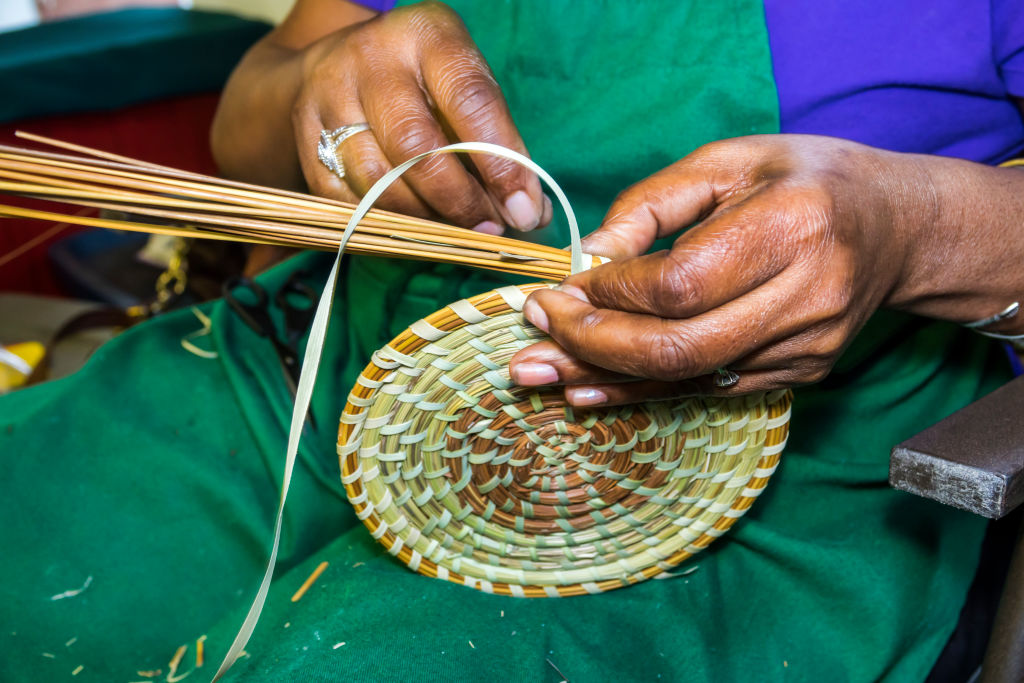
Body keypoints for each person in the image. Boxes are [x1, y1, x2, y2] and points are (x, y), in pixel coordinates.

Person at [2, 1, 1023, 681]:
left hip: (766, 486)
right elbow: (246, 123)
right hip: (307, 382)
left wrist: (917, 225)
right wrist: (321, 82)